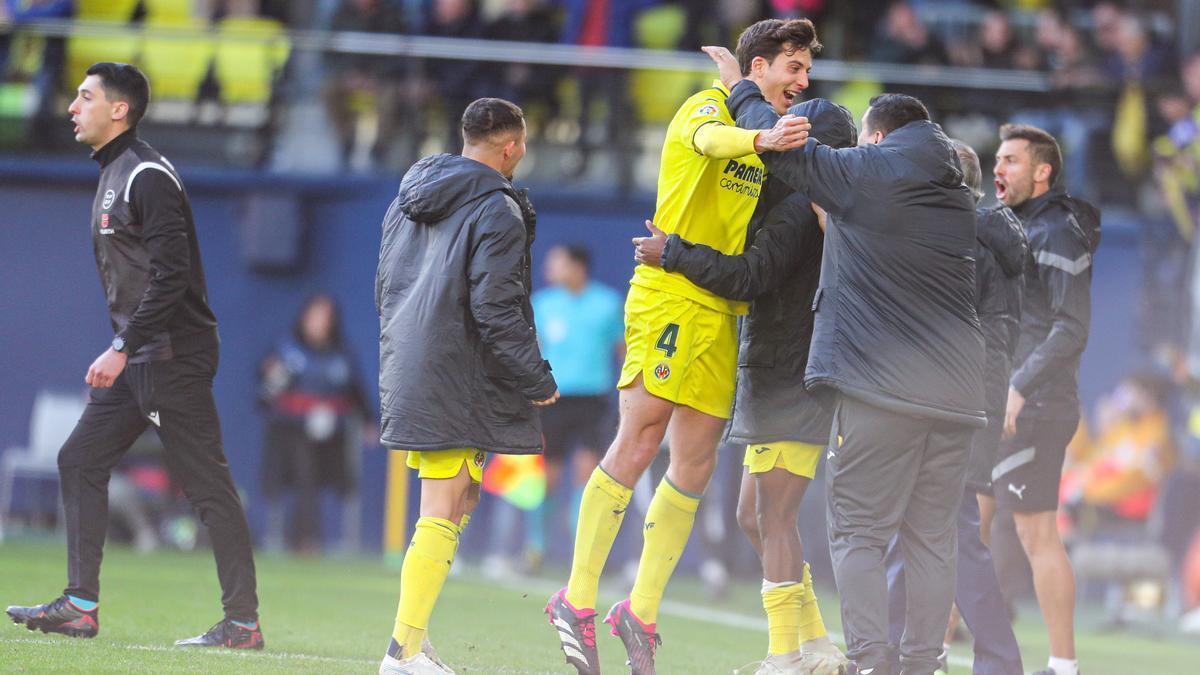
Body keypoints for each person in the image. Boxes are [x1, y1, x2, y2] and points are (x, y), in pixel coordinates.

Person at [545, 19, 817, 675]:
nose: (802, 81)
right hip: (669, 294)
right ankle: (575, 598)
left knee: (694, 464)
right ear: (755, 69)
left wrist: (771, 143)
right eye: (793, 67)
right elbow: (706, 138)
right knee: (639, 437)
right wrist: (759, 134)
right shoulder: (708, 105)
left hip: (721, 309)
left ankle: (639, 610)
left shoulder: (771, 146)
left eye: (807, 70)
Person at [708, 46, 987, 675]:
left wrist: (740, 89)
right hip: (958, 398)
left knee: (858, 532)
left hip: (882, 390)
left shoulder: (872, 170)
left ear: (879, 135)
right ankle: (923, 662)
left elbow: (788, 151)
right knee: (932, 540)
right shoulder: (954, 192)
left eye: (862, 141)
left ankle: (868, 662)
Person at [5, 62, 262, 649]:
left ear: (118, 110)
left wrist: (121, 346)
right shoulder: (115, 172)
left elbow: (171, 278)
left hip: (172, 356)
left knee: (208, 489)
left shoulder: (146, 174)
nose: (72, 106)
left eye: (85, 96)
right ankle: (79, 605)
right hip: (145, 355)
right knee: (79, 459)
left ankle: (242, 623)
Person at [632, 97, 855, 675]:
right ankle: (816, 647)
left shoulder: (800, 208)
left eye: (789, 132)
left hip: (790, 372)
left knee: (772, 518)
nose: (776, 137)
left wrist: (674, 254)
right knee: (753, 517)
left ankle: (786, 655)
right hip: (783, 368)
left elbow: (754, 275)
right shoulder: (812, 203)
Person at [375, 97, 559, 675]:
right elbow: (496, 306)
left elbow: (385, 284)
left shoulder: (405, 202)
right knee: (444, 502)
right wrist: (536, 377)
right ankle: (400, 653)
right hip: (458, 372)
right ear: (510, 147)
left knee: (460, 499)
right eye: (523, 144)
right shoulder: (498, 209)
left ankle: (415, 639)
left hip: (415, 360)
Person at [885, 140, 1026, 675]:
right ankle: (903, 652)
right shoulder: (995, 235)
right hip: (975, 397)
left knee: (957, 537)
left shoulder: (958, 241)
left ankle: (995, 659)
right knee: (926, 530)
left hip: (951, 400)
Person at [993, 123, 1100, 675]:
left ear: (1043, 171)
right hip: (1003, 398)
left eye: (1011, 160)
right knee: (964, 524)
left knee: (1036, 532)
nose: (998, 169)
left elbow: (1070, 328)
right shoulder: (1017, 226)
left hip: (1037, 404)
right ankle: (930, 651)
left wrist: (1018, 384)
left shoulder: (1057, 231)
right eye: (997, 159)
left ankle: (1063, 665)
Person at [529, 245, 624, 561]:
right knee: (547, 477)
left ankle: (582, 554)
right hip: (551, 400)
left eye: (557, 262)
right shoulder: (542, 304)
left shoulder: (607, 303)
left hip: (592, 402)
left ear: (578, 266)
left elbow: (622, 349)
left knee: (587, 477)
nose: (550, 268)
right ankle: (536, 547)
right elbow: (533, 351)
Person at [258, 293, 370, 554]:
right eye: (315, 316)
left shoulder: (341, 353)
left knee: (323, 477)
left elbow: (356, 391)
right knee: (302, 471)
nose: (319, 323)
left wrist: (367, 421)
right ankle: (301, 540)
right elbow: (265, 392)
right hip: (290, 431)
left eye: (325, 318)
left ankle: (315, 540)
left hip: (332, 435)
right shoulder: (287, 349)